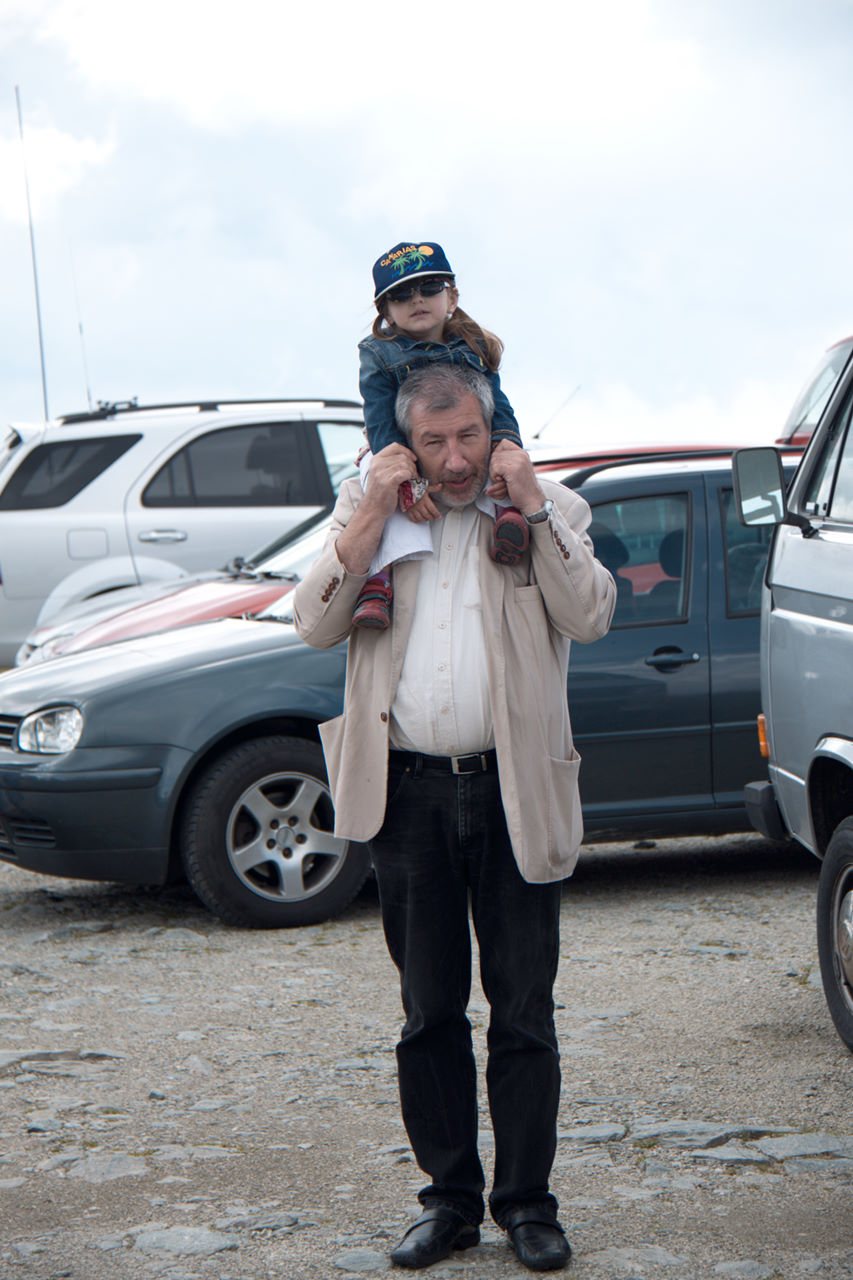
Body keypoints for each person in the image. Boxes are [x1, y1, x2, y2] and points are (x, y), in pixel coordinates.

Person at [292, 364, 615, 1272]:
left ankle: (527, 1206)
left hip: (514, 789)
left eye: (468, 435)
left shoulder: (543, 508)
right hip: (409, 795)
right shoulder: (374, 515)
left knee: (523, 1011)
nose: (456, 458)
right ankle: (448, 1202)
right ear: (406, 445)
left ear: (493, 430)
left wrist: (535, 506)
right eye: (433, 442)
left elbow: (590, 615)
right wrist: (370, 511)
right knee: (428, 1011)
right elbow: (312, 624)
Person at [353, 239, 530, 629]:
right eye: (401, 295)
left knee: (492, 457)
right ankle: (378, 581)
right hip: (398, 446)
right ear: (385, 311)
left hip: (458, 443)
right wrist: (407, 484)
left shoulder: (474, 345)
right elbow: (379, 420)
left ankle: (508, 517)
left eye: (430, 288)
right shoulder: (378, 353)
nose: (417, 299)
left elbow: (499, 407)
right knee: (375, 479)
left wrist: (507, 444)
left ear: (451, 297)